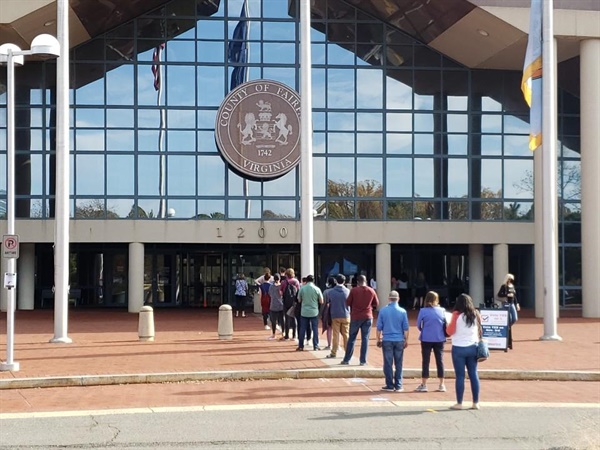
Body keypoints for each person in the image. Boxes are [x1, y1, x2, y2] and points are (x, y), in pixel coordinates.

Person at [447, 293, 481, 410]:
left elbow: (450, 331)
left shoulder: (456, 315)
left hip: (458, 347)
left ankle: (459, 402)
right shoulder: (475, 314)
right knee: (473, 374)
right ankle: (475, 402)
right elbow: (480, 329)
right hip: (473, 346)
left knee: (460, 376)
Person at [340, 274, 379, 366]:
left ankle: (346, 359)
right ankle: (363, 361)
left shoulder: (354, 290)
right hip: (368, 316)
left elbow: (348, 302)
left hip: (356, 316)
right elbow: (376, 303)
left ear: (357, 282)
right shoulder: (371, 290)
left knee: (352, 338)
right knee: (365, 339)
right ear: (366, 281)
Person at [376, 290, 409, 392]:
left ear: (389, 299)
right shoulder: (403, 311)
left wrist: (378, 339)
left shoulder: (383, 311)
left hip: (387, 339)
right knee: (399, 362)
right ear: (398, 299)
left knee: (388, 363)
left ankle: (389, 384)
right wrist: (406, 340)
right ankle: (398, 385)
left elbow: (378, 328)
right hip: (399, 339)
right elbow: (406, 328)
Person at [415, 291, 447, 393]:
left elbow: (418, 325)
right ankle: (442, 384)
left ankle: (424, 384)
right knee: (440, 360)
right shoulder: (442, 310)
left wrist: (424, 330)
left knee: (425, 361)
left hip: (426, 338)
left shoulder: (423, 311)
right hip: (439, 337)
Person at [324, 274, 350, 358]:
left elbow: (329, 303)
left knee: (335, 335)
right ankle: (348, 352)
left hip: (335, 315)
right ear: (344, 281)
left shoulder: (331, 292)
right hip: (345, 314)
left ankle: (333, 352)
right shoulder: (347, 291)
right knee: (346, 334)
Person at [296, 275, 323, 351]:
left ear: (306, 280)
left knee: (302, 329)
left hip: (304, 311)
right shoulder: (317, 289)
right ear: (313, 280)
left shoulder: (302, 288)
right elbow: (321, 301)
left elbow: (299, 300)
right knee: (315, 329)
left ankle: (301, 346)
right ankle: (316, 345)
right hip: (314, 312)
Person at [280, 268, 300, 341]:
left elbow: (281, 292)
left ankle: (287, 335)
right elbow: (298, 291)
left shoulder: (284, 282)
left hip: (286, 302)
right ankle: (294, 335)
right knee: (294, 318)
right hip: (294, 302)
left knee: (287, 318)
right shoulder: (296, 281)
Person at [321, 277, 336, 350]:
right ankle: (337, 345)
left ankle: (329, 344)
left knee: (329, 328)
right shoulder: (338, 291)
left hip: (328, 312)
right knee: (337, 330)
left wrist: (321, 313)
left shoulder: (326, 292)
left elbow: (323, 304)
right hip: (337, 312)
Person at [268, 274, 284, 340]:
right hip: (281, 304)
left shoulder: (271, 286)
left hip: (273, 305)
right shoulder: (281, 286)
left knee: (273, 321)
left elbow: (270, 294)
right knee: (282, 320)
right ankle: (283, 333)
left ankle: (274, 334)